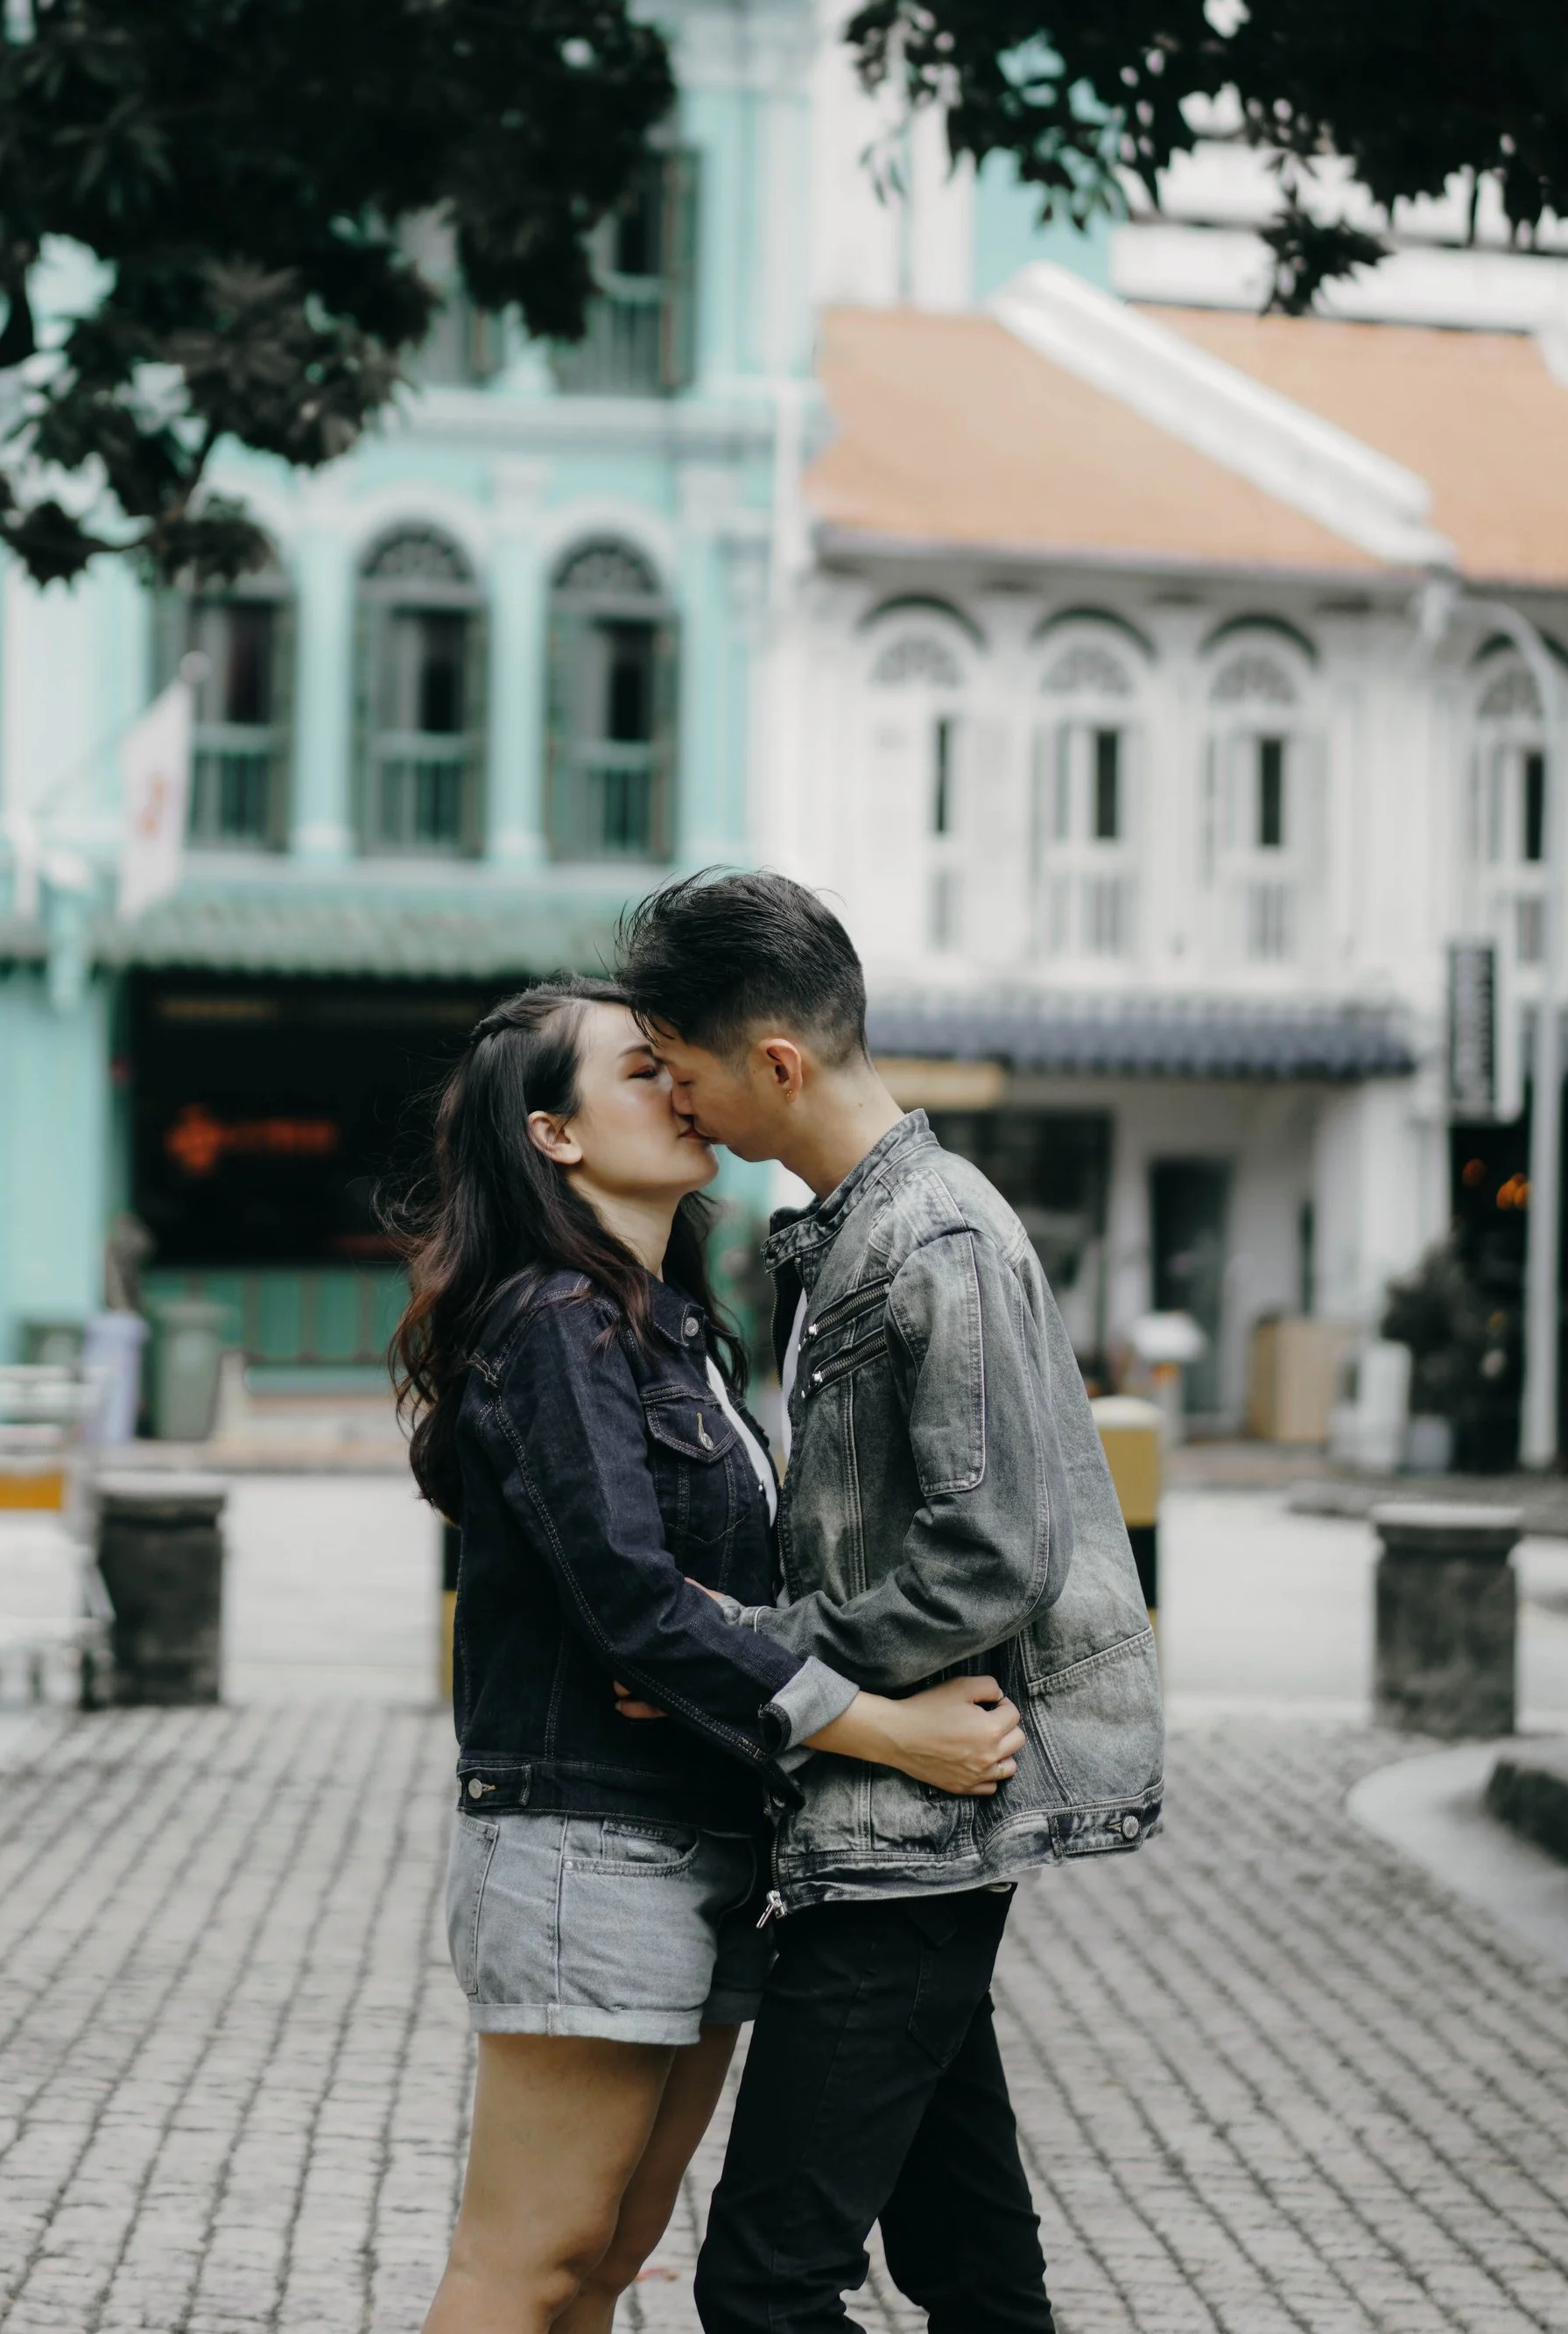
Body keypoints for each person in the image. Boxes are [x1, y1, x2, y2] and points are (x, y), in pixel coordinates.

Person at [391, 976, 1027, 2334]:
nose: (682, 1091)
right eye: (641, 1072)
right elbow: (633, 1600)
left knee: (610, 2257)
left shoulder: (665, 1324)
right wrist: (892, 1728)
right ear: (553, 1134)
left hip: (700, 1835)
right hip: (587, 1841)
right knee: (531, 2259)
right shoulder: (552, 1318)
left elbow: (718, 1607)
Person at [620, 873, 1166, 2334]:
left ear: (777, 1066)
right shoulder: (860, 1230)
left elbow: (993, 1552)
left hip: (909, 1843)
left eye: (682, 1071)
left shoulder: (932, 1241)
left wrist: (751, 1657)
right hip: (889, 1831)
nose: (679, 1105)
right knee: (975, 2274)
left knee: (764, 2289)